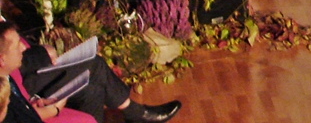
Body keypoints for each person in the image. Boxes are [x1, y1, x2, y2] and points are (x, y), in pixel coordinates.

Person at [0, 21, 181, 123]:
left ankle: (134, 113)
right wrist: (53, 109)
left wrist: (40, 51)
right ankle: (135, 113)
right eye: (17, 46)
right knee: (93, 64)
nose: (22, 47)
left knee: (92, 90)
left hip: (25, 84)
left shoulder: (7, 71)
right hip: (30, 89)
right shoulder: (2, 94)